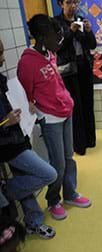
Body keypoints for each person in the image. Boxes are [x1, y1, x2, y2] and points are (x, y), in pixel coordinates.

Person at [17, 14, 91, 221]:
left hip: (65, 111)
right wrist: (39, 111)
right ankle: (53, 201)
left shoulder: (50, 53)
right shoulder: (27, 62)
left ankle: (70, 194)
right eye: (54, 36)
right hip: (50, 119)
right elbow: (27, 95)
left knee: (69, 158)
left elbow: (54, 83)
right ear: (41, 37)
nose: (59, 39)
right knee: (57, 164)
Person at [0, 39, 57, 239]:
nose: (3, 58)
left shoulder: (1, 80)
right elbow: (3, 120)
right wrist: (3, 123)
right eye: (0, 54)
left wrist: (26, 104)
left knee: (23, 178)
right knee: (49, 174)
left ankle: (33, 222)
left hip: (17, 136)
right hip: (7, 144)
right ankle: (5, 193)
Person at [55, 0, 97, 156]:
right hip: (68, 69)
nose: (72, 6)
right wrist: (70, 31)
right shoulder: (56, 22)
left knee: (88, 102)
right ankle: (79, 145)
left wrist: (88, 31)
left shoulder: (80, 18)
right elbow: (57, 47)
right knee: (76, 105)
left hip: (84, 66)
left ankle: (90, 139)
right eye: (68, 2)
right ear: (61, 4)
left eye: (75, 2)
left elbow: (92, 45)